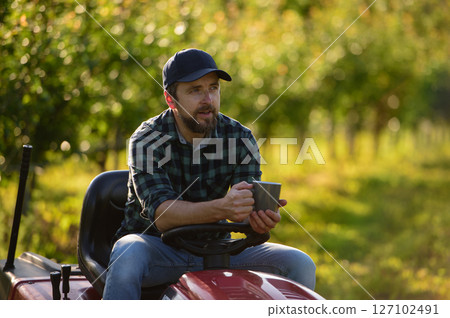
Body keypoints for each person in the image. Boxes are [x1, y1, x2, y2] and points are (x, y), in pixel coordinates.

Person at [103, 48, 316, 299]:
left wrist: (257, 219)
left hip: (220, 250)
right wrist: (225, 208)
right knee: (128, 252)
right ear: (171, 100)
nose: (208, 99)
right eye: (195, 90)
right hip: (159, 250)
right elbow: (163, 216)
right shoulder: (147, 139)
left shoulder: (239, 137)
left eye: (213, 88)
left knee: (300, 263)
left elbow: (243, 209)